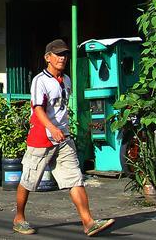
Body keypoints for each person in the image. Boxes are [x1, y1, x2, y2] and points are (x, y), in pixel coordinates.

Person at [13, 39, 114, 237]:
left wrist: (67, 129)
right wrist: (52, 127)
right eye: (58, 54)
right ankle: (19, 217)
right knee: (29, 180)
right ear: (47, 58)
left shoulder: (66, 80)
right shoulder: (39, 81)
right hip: (41, 138)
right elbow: (38, 109)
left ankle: (88, 222)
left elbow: (62, 109)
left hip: (63, 138)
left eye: (65, 55)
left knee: (75, 178)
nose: (62, 58)